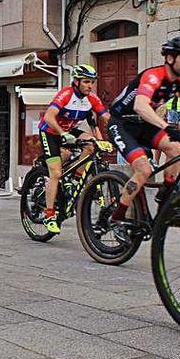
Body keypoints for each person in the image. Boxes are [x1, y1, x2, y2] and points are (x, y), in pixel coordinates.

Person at [106, 37, 180, 241]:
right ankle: (116, 217)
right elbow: (140, 106)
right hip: (122, 123)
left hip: (143, 124)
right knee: (144, 169)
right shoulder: (154, 76)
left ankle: (165, 195)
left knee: (177, 148)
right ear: (170, 58)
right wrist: (167, 127)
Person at [37, 65, 110, 234]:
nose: (90, 86)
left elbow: (106, 118)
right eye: (86, 82)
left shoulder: (91, 98)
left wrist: (116, 135)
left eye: (92, 82)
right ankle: (49, 215)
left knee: (92, 144)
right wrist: (62, 133)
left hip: (69, 130)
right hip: (50, 131)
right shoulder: (66, 94)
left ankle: (76, 176)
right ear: (76, 82)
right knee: (55, 173)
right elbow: (48, 116)